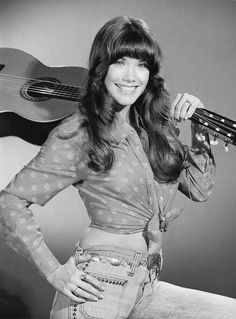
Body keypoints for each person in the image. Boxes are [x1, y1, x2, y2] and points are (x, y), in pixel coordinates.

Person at [0, 16, 235, 319]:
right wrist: (53, 270)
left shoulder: (155, 127)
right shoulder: (78, 134)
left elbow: (199, 188)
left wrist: (200, 127)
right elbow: (10, 201)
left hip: (146, 285)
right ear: (101, 68)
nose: (130, 75)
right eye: (120, 62)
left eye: (141, 64)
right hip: (98, 288)